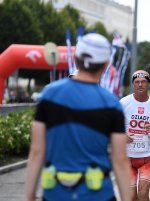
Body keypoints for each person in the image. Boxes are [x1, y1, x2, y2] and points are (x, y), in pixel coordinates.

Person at [25, 33, 132, 201]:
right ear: (105, 64)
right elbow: (120, 161)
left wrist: (29, 196)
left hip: (55, 193)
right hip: (98, 194)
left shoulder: (49, 95)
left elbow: (37, 151)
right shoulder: (111, 104)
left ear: (75, 58)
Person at [120, 70, 150, 201]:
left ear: (148, 84)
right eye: (137, 82)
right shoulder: (123, 103)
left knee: (142, 194)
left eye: (143, 82)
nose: (140, 85)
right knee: (131, 197)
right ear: (133, 85)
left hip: (147, 156)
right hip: (127, 157)